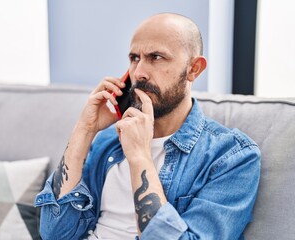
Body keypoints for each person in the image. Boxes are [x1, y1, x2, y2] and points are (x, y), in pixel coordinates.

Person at [35, 12, 261, 240]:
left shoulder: (232, 157)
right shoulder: (108, 141)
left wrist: (140, 157)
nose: (139, 73)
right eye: (134, 58)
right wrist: (85, 130)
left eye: (156, 57)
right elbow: (54, 233)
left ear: (194, 69)